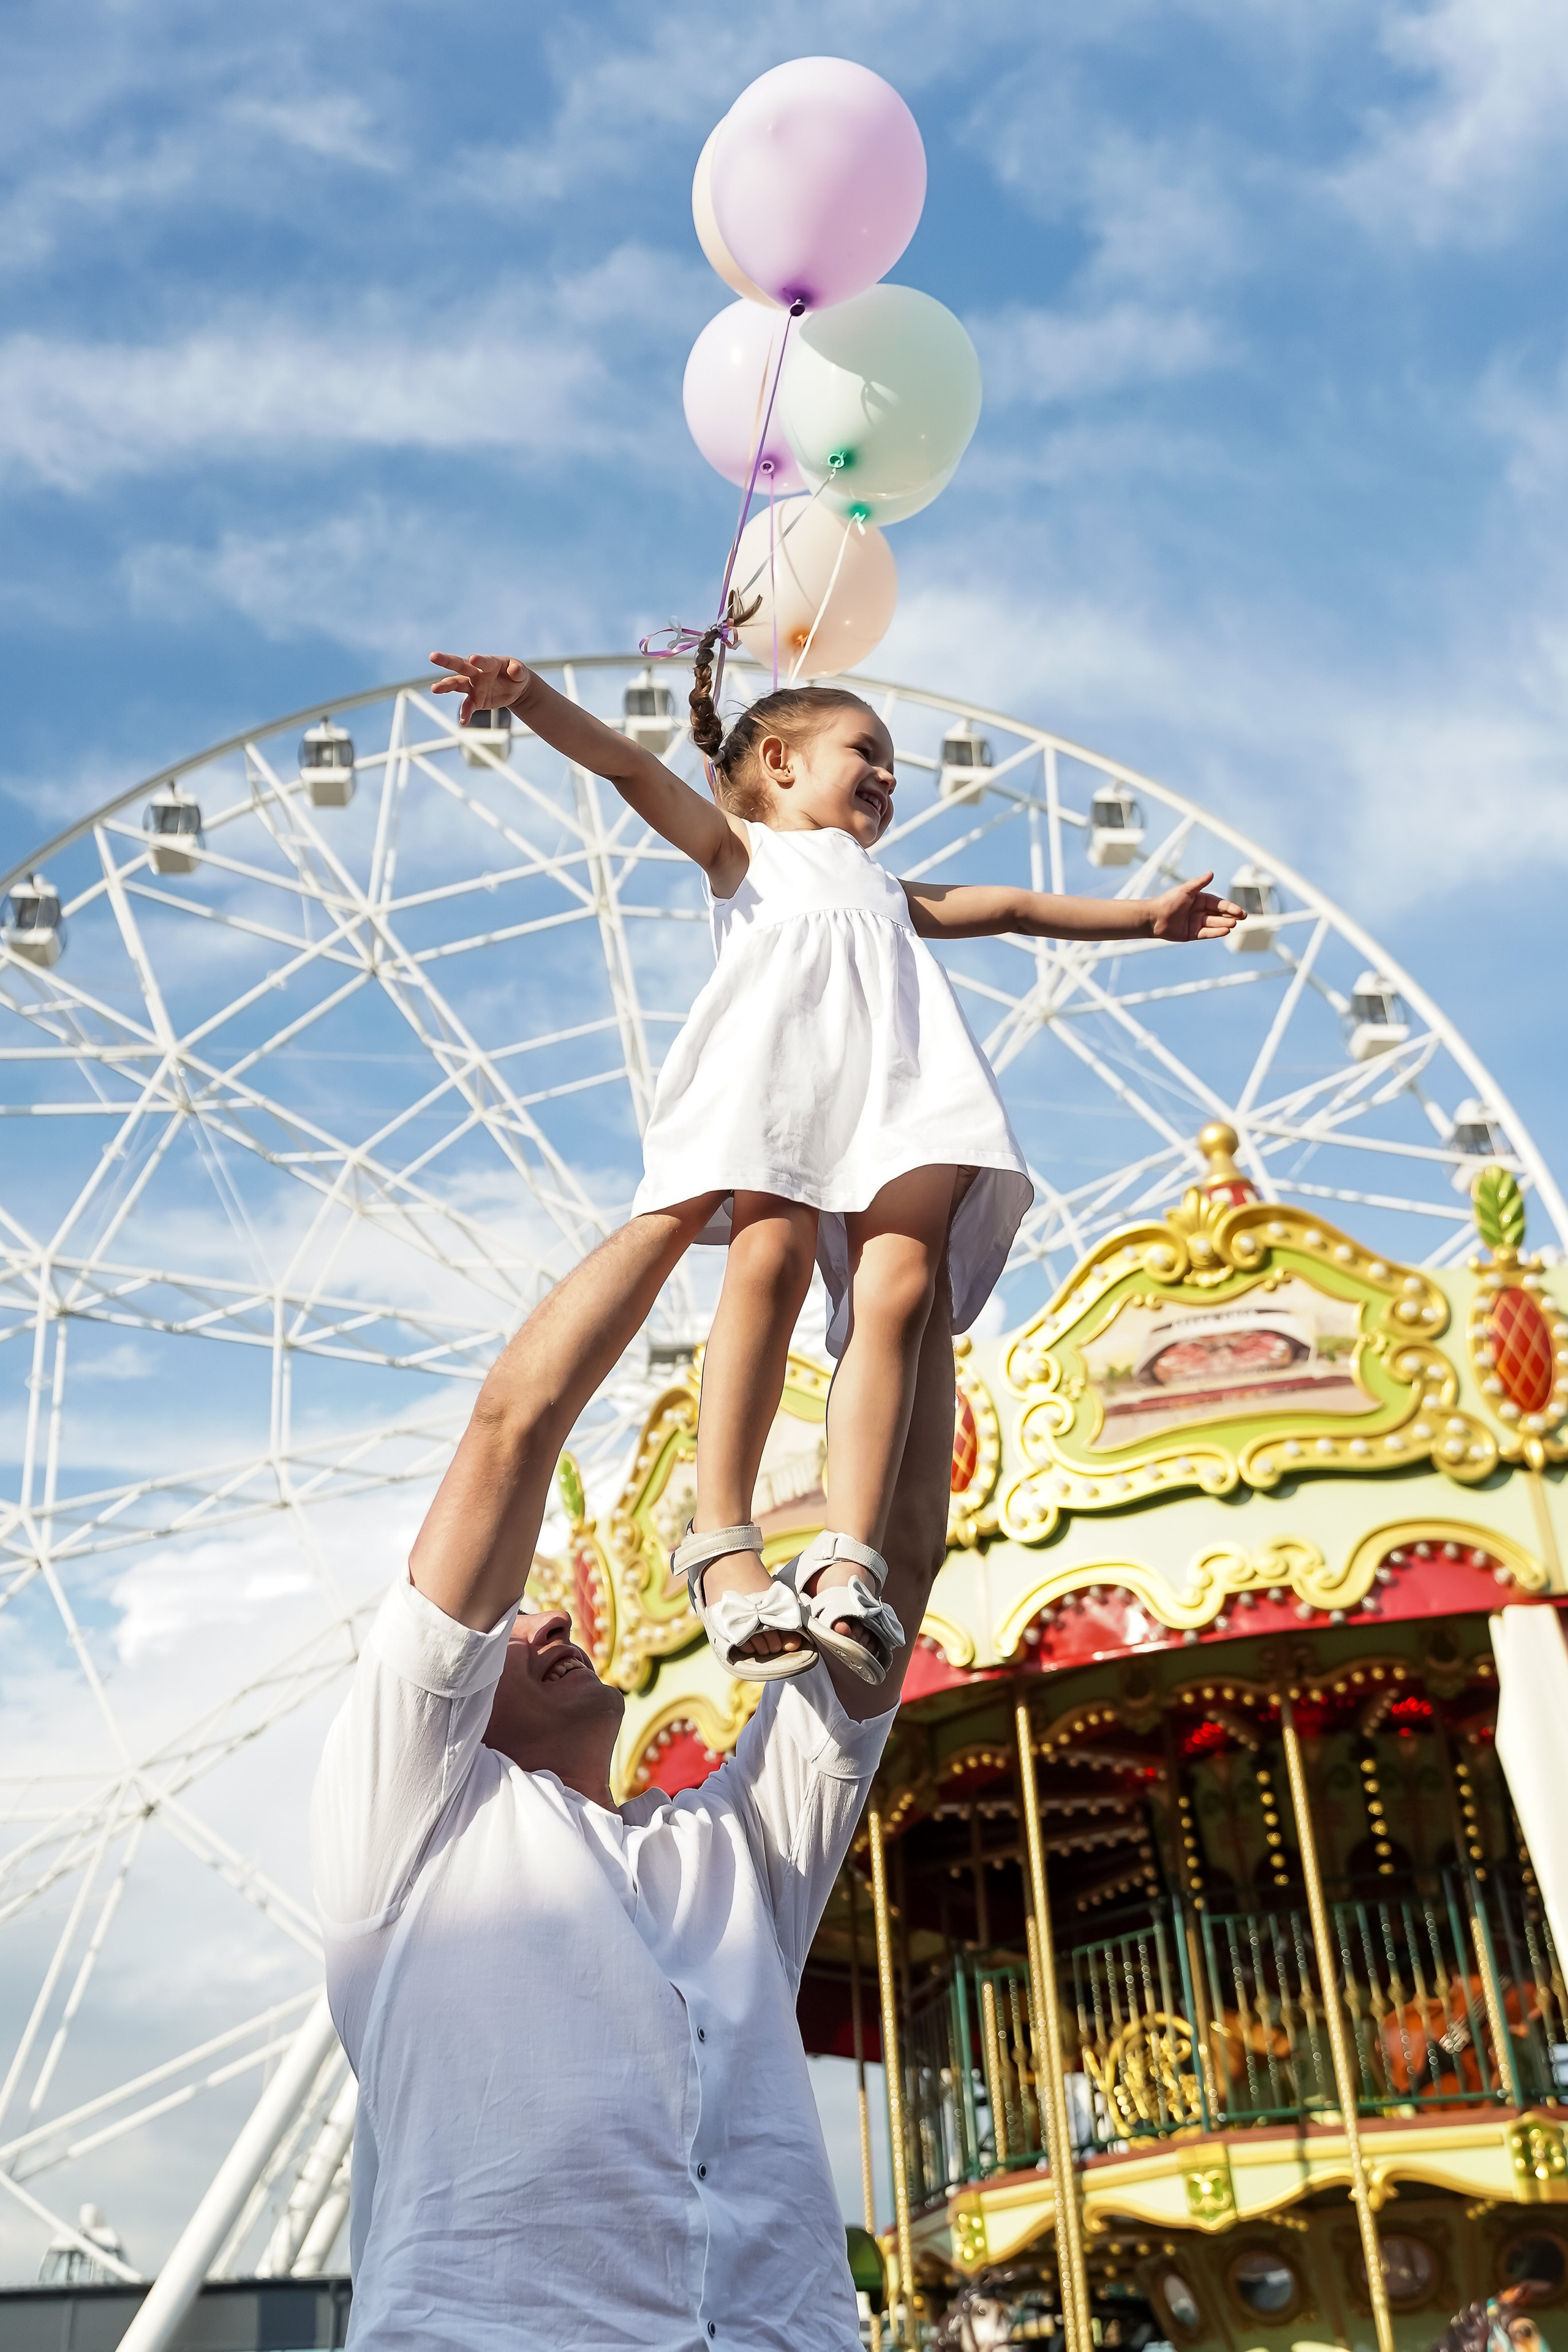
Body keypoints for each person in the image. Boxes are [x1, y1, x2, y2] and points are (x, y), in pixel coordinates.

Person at [428, 643, 1242, 1687]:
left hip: (907, 1088)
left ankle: (848, 1561)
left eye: (896, 765)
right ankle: (723, 1542)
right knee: (763, 1273)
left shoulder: (891, 892)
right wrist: (530, 697)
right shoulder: (742, 857)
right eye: (867, 751)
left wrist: (1145, 921)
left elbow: (1008, 908)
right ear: (776, 763)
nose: (891, 777)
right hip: (786, 1082)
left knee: (899, 1296)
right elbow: (631, 768)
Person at [310, 1202, 960, 2351]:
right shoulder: (406, 1823)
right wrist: (696, 1197)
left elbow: (899, 1555)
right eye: (505, 1623)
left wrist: (913, 1260)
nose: (547, 1612)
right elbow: (516, 1424)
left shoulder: (736, 1857)